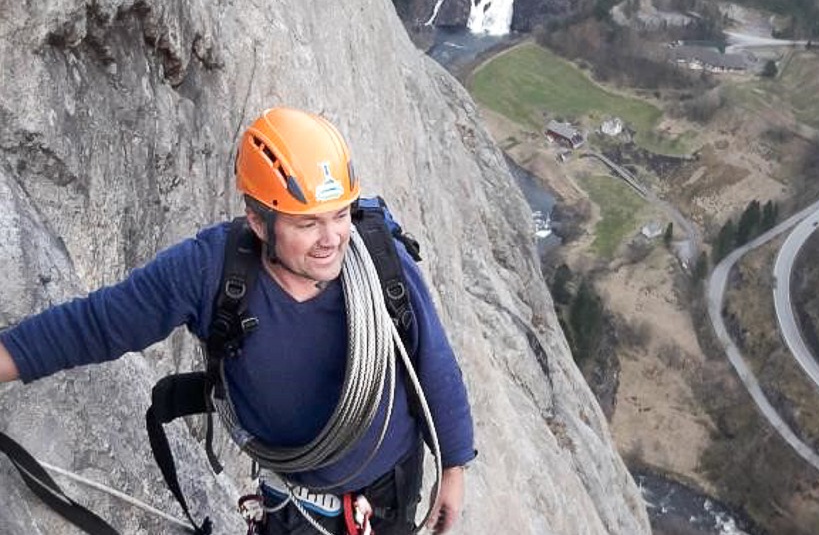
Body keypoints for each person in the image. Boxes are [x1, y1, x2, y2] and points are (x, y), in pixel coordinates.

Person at [0, 107, 475, 534]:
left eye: (339, 215)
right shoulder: (212, 272)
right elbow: (97, 325)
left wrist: (453, 470)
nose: (331, 239)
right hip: (287, 498)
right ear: (258, 221)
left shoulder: (377, 259)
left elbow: (432, 359)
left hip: (384, 494)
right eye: (307, 224)